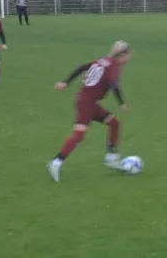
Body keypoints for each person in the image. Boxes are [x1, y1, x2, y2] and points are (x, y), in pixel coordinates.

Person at [47, 41, 133, 182]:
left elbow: (81, 67)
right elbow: (114, 84)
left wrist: (66, 82)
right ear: (122, 54)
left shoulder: (101, 60)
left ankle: (111, 158)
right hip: (86, 104)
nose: (129, 59)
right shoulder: (113, 66)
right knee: (79, 134)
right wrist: (122, 102)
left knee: (114, 123)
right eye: (128, 56)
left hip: (89, 103)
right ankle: (56, 162)